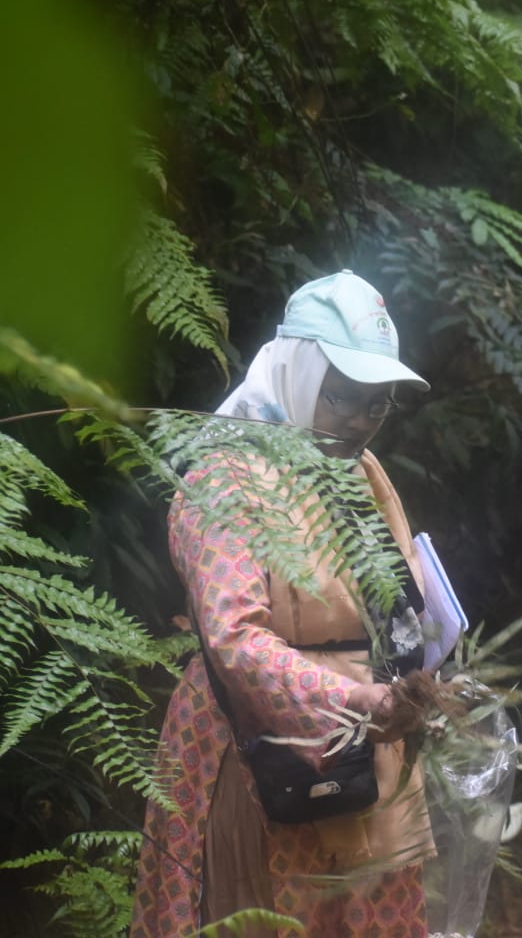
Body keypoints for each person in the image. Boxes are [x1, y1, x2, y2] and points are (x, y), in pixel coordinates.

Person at [132, 270, 435, 937]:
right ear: (297, 375)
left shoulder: (363, 470)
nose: (358, 421)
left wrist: (423, 676)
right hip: (259, 752)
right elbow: (234, 638)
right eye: (342, 398)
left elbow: (402, 595)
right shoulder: (226, 473)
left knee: (366, 915)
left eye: (376, 403)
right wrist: (355, 702)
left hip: (371, 750)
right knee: (271, 913)